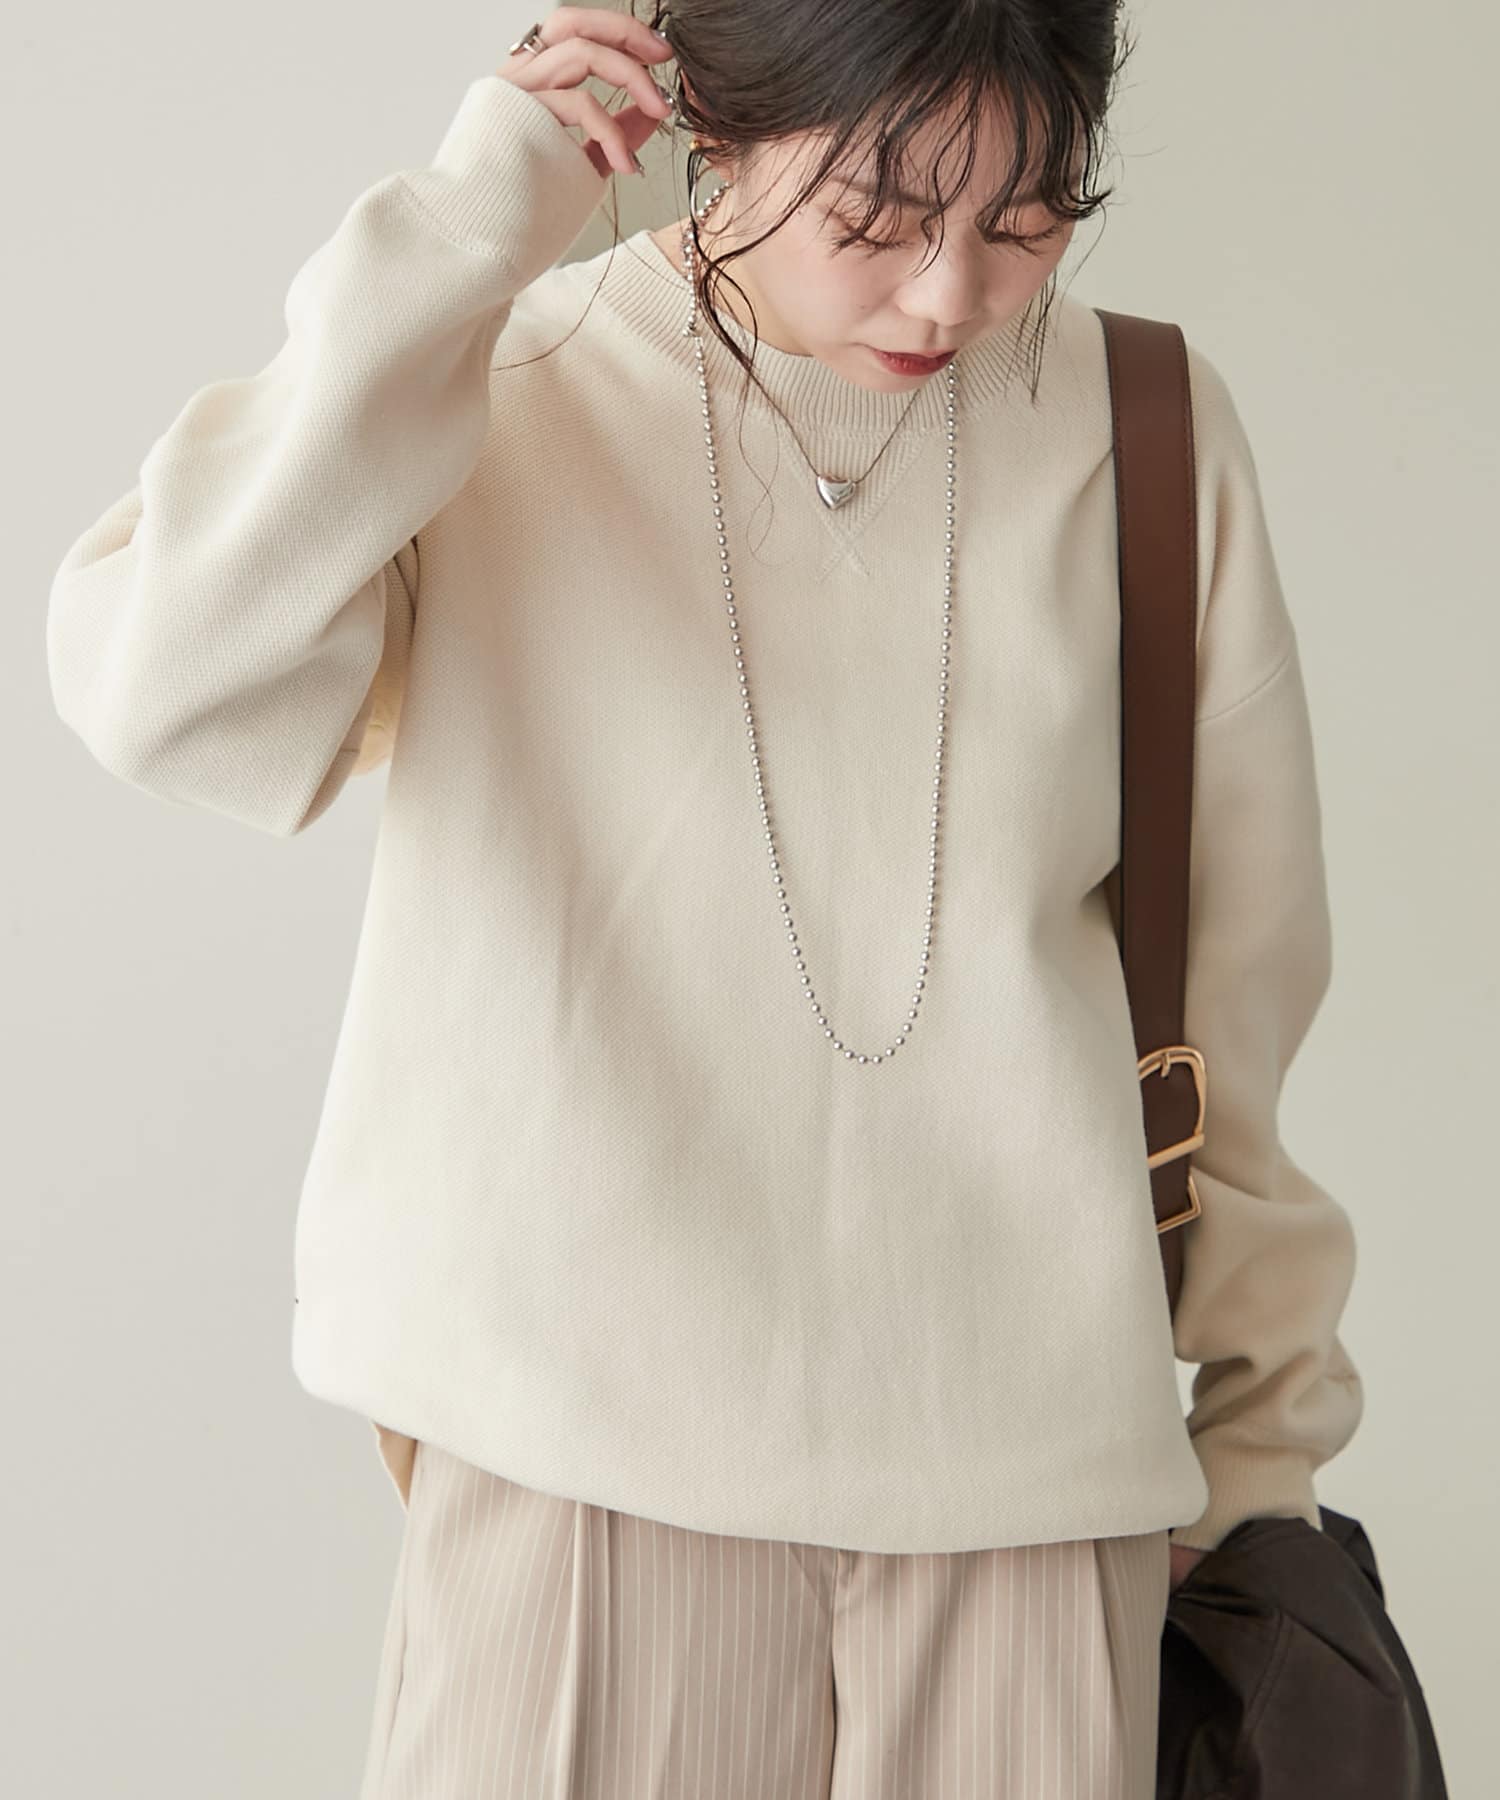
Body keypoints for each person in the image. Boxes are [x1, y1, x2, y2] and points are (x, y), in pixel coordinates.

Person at [44, 2, 1365, 1795]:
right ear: (713, 127)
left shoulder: (1145, 429)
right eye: (877, 217)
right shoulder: (505, 372)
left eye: (1027, 215)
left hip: (1034, 1514)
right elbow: (161, 687)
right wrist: (470, 222)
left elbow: (1238, 997)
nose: (949, 294)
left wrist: (1265, 1447)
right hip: (575, 1489)